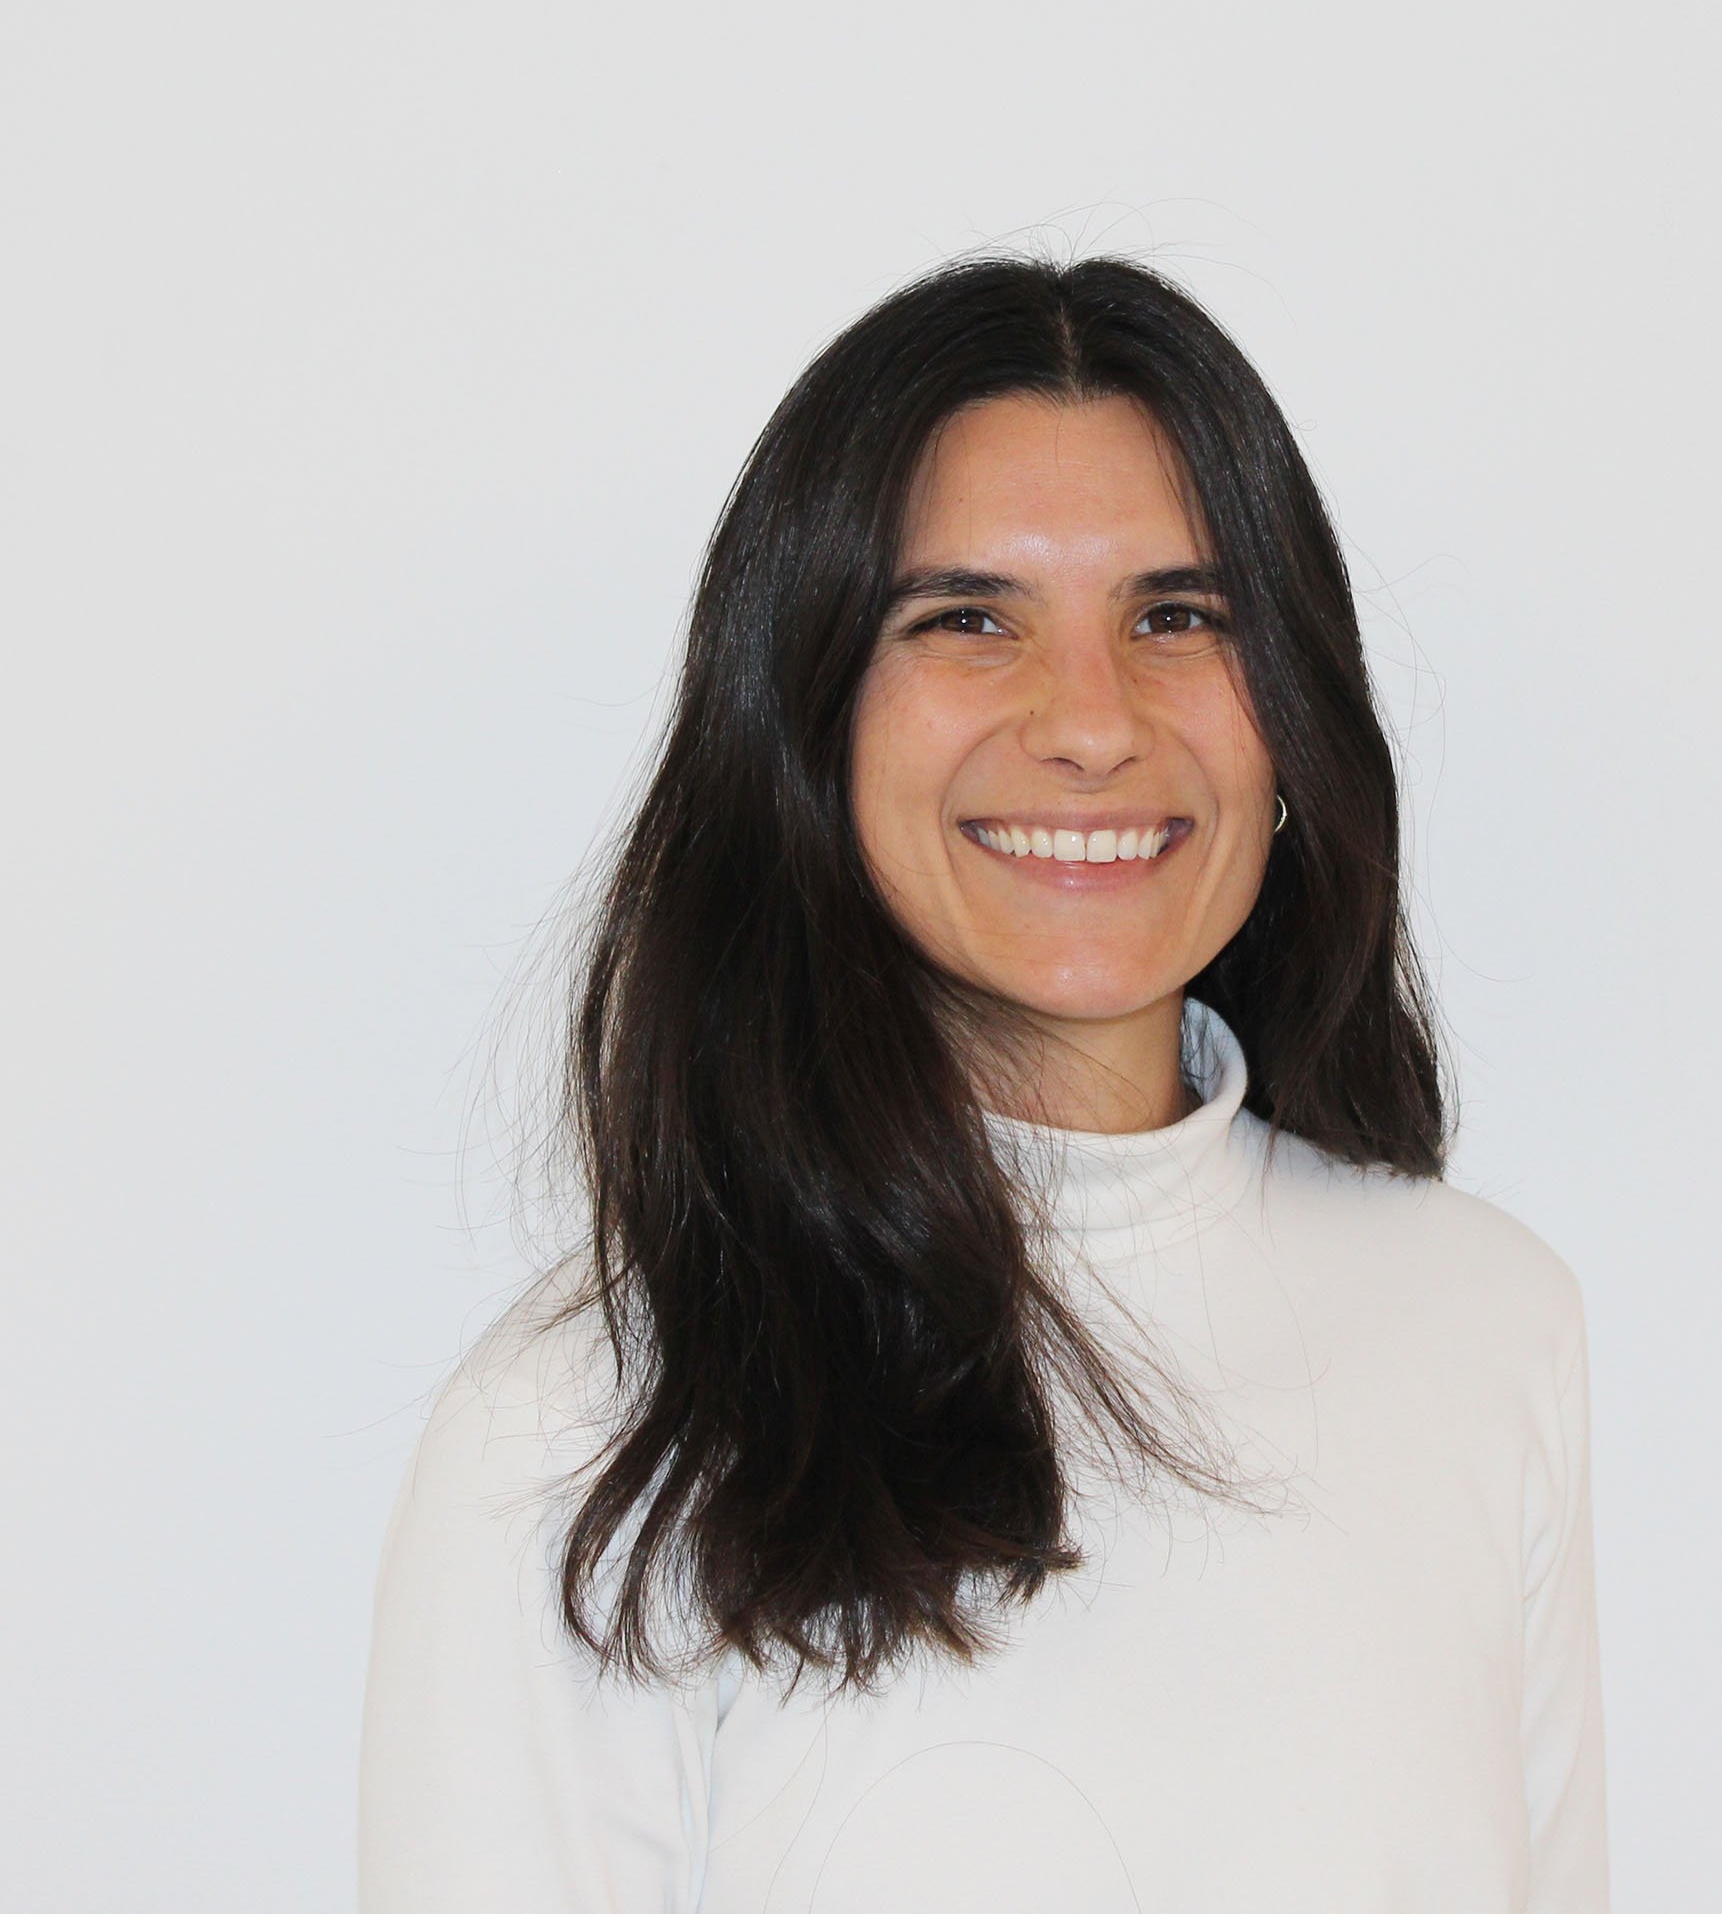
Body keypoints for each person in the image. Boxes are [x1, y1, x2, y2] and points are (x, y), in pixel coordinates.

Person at [356, 253, 1610, 1912]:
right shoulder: (591, 1432)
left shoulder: (1485, 1321)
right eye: (968, 620)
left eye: (1178, 617)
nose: (1091, 723)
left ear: (1289, 721)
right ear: (808, 727)